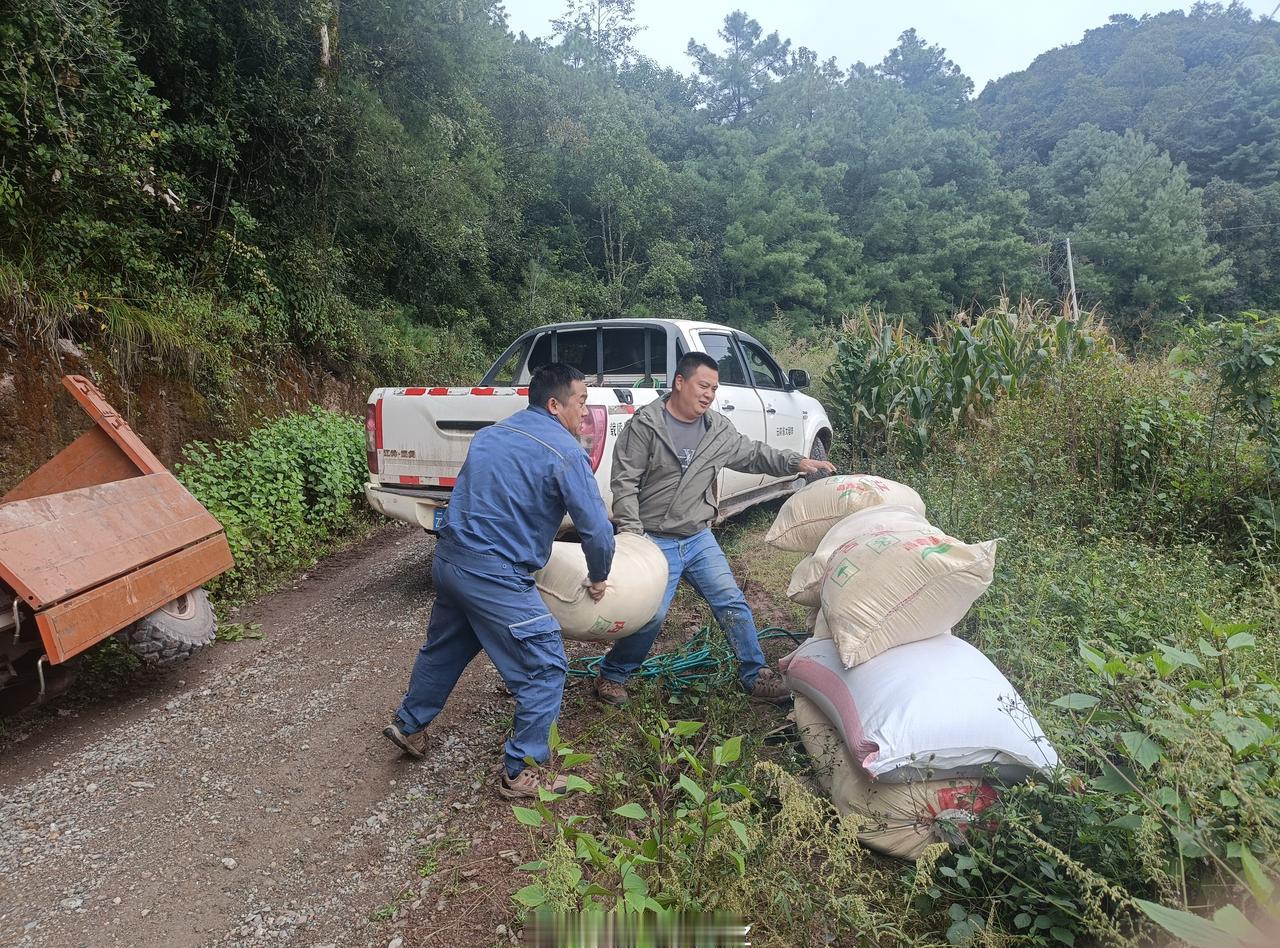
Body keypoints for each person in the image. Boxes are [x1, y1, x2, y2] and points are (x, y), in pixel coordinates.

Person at [383, 363, 615, 799]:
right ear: (554, 404)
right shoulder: (565, 452)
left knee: (447, 648)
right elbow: (597, 529)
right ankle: (521, 771)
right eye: (581, 402)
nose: (585, 413)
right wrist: (599, 576)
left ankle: (409, 724)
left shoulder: (490, 436)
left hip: (450, 561)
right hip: (495, 574)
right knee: (546, 665)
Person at [594, 352, 836, 706]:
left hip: (697, 537)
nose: (709, 394)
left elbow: (753, 453)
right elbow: (625, 483)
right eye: (703, 385)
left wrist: (796, 461)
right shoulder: (646, 426)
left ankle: (756, 676)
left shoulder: (717, 429)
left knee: (732, 603)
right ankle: (612, 676)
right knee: (651, 614)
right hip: (653, 538)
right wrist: (633, 535)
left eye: (714, 388)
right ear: (680, 382)